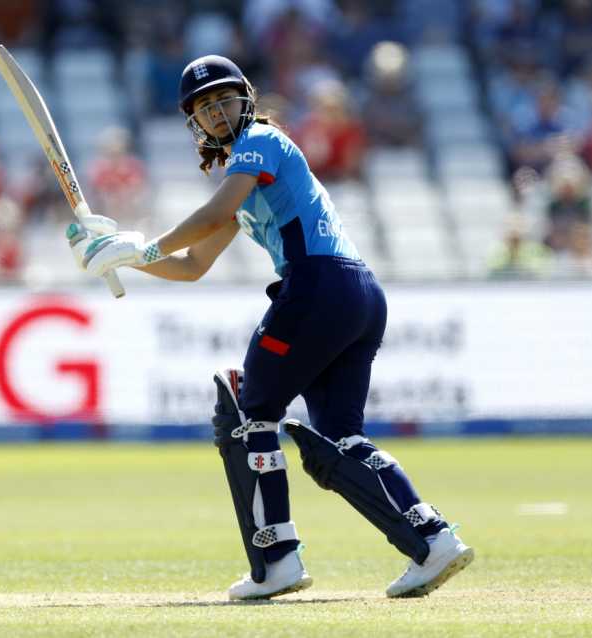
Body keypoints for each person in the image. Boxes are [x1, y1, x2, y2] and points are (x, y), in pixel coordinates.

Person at [66, 55, 473, 600]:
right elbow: (192, 266)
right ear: (194, 122)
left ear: (246, 100)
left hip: (317, 285)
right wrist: (119, 256)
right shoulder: (244, 170)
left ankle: (275, 560)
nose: (215, 112)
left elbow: (211, 216)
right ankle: (433, 540)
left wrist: (142, 245)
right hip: (354, 296)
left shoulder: (262, 140)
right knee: (338, 437)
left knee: (245, 411)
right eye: (203, 107)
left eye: (223, 99)